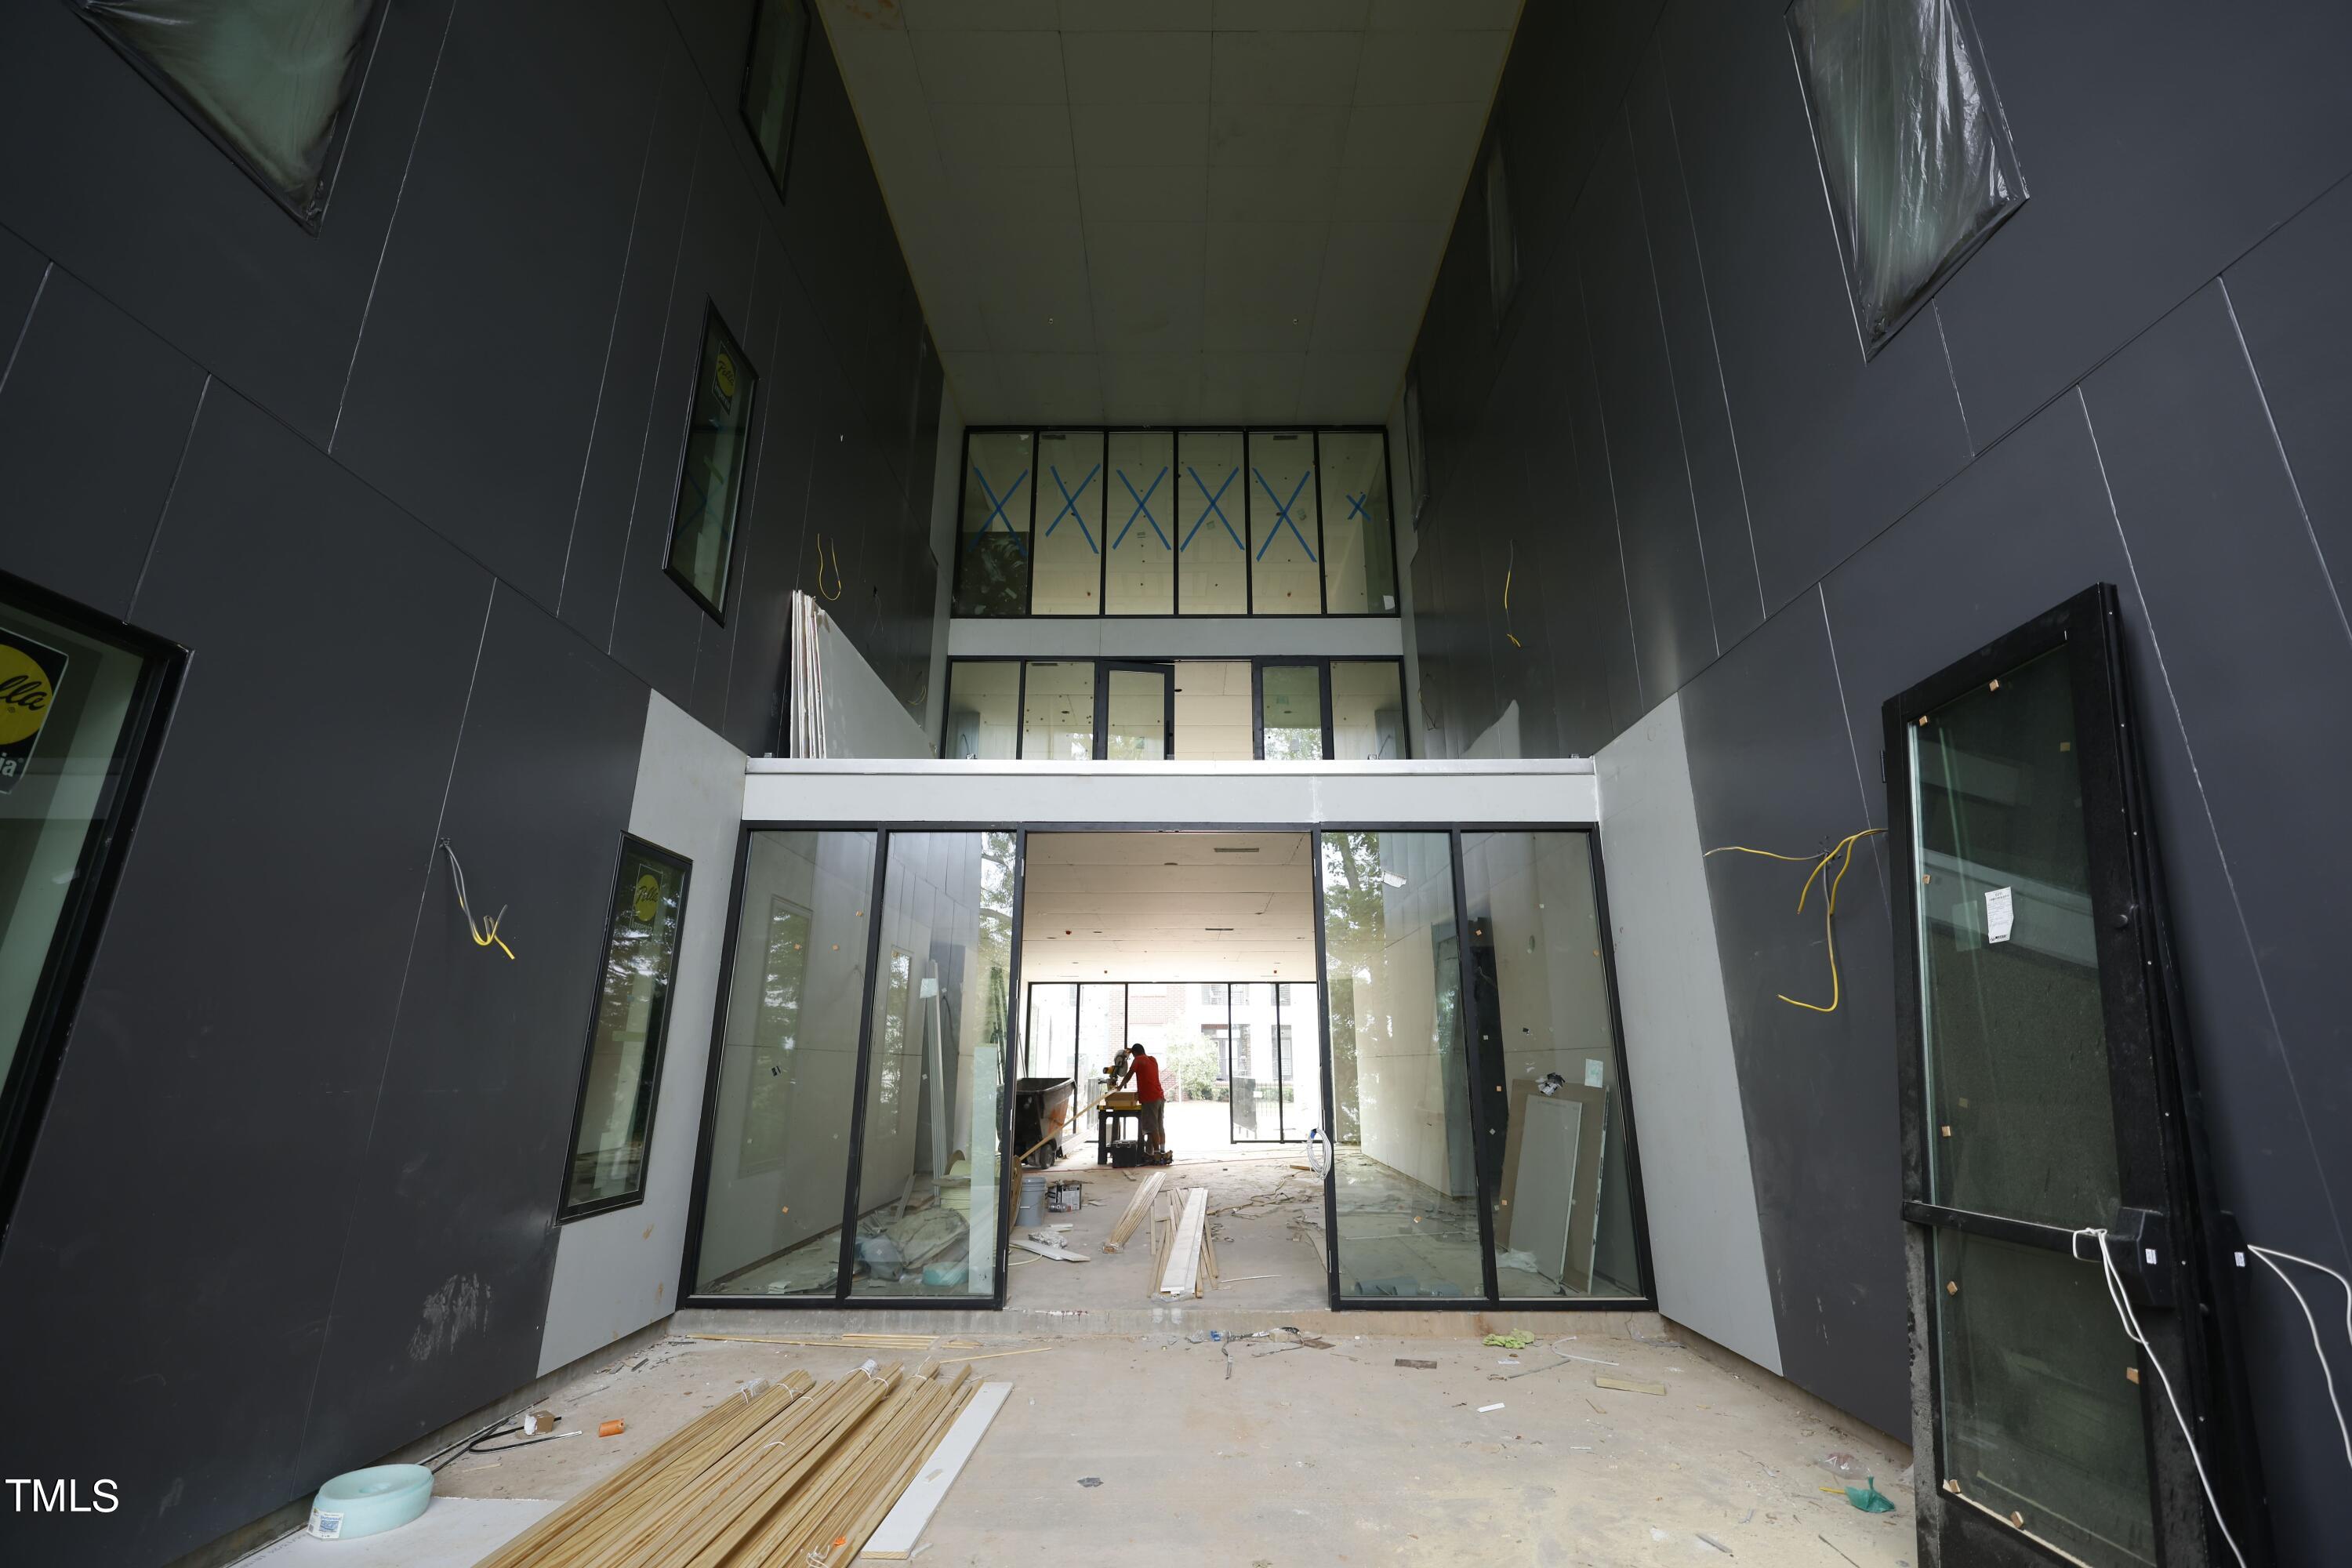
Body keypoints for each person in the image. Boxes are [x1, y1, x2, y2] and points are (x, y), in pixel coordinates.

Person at [1115, 1041, 1168, 1160]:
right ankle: (1162, 1151)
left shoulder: (1138, 1060)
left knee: (1152, 1127)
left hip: (1150, 1099)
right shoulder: (1153, 1060)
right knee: (1160, 1126)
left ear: (1135, 1053)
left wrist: (1120, 1086)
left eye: (1133, 1055)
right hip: (1160, 1097)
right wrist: (1131, 1051)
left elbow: (1128, 1075)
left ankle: (1157, 1154)